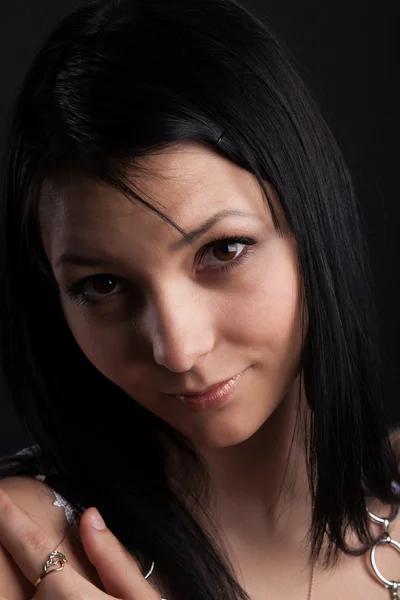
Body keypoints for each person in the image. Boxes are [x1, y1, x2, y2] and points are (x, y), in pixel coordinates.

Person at [0, 0, 398, 598]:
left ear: (314, 220)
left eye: (222, 251)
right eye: (102, 286)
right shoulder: (25, 554)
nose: (178, 349)